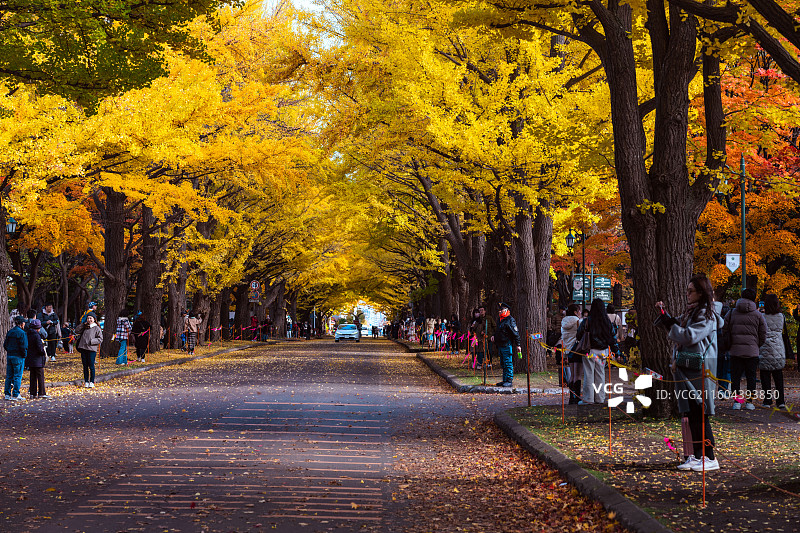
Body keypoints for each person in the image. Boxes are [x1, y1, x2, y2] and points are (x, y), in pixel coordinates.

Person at [656, 274, 723, 472]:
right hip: (688, 370)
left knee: (700, 413)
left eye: (690, 291)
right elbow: (676, 325)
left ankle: (709, 457)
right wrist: (664, 315)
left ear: (701, 293)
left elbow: (689, 336)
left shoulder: (706, 315)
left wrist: (669, 322)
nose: (687, 294)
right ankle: (696, 455)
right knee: (692, 413)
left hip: (700, 371)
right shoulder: (691, 312)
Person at [724, 288, 766, 410]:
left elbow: (725, 330)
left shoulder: (731, 313)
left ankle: (737, 402)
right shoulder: (758, 315)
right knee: (751, 377)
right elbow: (763, 333)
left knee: (735, 377)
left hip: (735, 350)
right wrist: (757, 345)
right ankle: (749, 402)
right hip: (752, 351)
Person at [577, 299, 618, 405]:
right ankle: (600, 398)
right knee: (600, 374)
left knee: (588, 374)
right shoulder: (606, 321)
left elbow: (579, 335)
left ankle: (588, 398)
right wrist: (616, 352)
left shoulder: (587, 321)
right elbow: (612, 337)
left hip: (589, 351)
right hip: (603, 351)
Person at [759, 294, 787, 409]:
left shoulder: (762, 316)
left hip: (765, 346)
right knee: (778, 375)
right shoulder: (782, 316)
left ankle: (767, 400)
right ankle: (780, 401)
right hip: (778, 347)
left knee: (765, 375)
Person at [494, 302, 521, 387]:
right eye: (499, 310)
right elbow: (498, 331)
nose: (500, 311)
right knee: (503, 363)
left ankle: (509, 380)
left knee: (508, 362)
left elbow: (515, 333)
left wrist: (518, 345)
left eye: (501, 309)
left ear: (506, 310)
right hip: (500, 344)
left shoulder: (510, 320)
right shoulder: (499, 319)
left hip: (507, 344)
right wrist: (493, 336)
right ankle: (505, 379)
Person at [561, 304, 583, 404]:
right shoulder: (578, 321)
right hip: (576, 349)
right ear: (575, 312)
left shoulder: (564, 321)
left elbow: (563, 338)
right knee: (577, 375)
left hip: (567, 350)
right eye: (579, 311)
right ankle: (577, 397)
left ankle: (571, 397)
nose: (580, 313)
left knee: (572, 375)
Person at [74, 314, 103, 388]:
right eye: (88, 318)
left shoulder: (96, 328)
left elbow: (100, 339)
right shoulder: (85, 327)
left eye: (91, 318)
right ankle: (86, 381)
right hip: (83, 348)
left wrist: (91, 341)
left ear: (94, 319)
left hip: (91, 349)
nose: (89, 320)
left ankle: (92, 381)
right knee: (85, 366)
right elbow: (77, 331)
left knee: (91, 365)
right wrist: (83, 324)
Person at [4, 315, 28, 401]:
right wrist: (24, 355)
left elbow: (5, 345)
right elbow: (24, 346)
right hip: (18, 356)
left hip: (10, 355)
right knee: (17, 376)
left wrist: (10, 351)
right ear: (22, 324)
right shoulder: (22, 333)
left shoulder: (10, 332)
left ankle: (7, 394)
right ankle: (16, 394)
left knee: (9, 376)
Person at [26, 319, 50, 399]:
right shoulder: (37, 336)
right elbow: (40, 348)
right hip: (38, 359)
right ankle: (41, 392)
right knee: (40, 376)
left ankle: (32, 393)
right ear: (38, 328)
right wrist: (43, 352)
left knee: (32, 376)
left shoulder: (28, 334)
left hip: (30, 358)